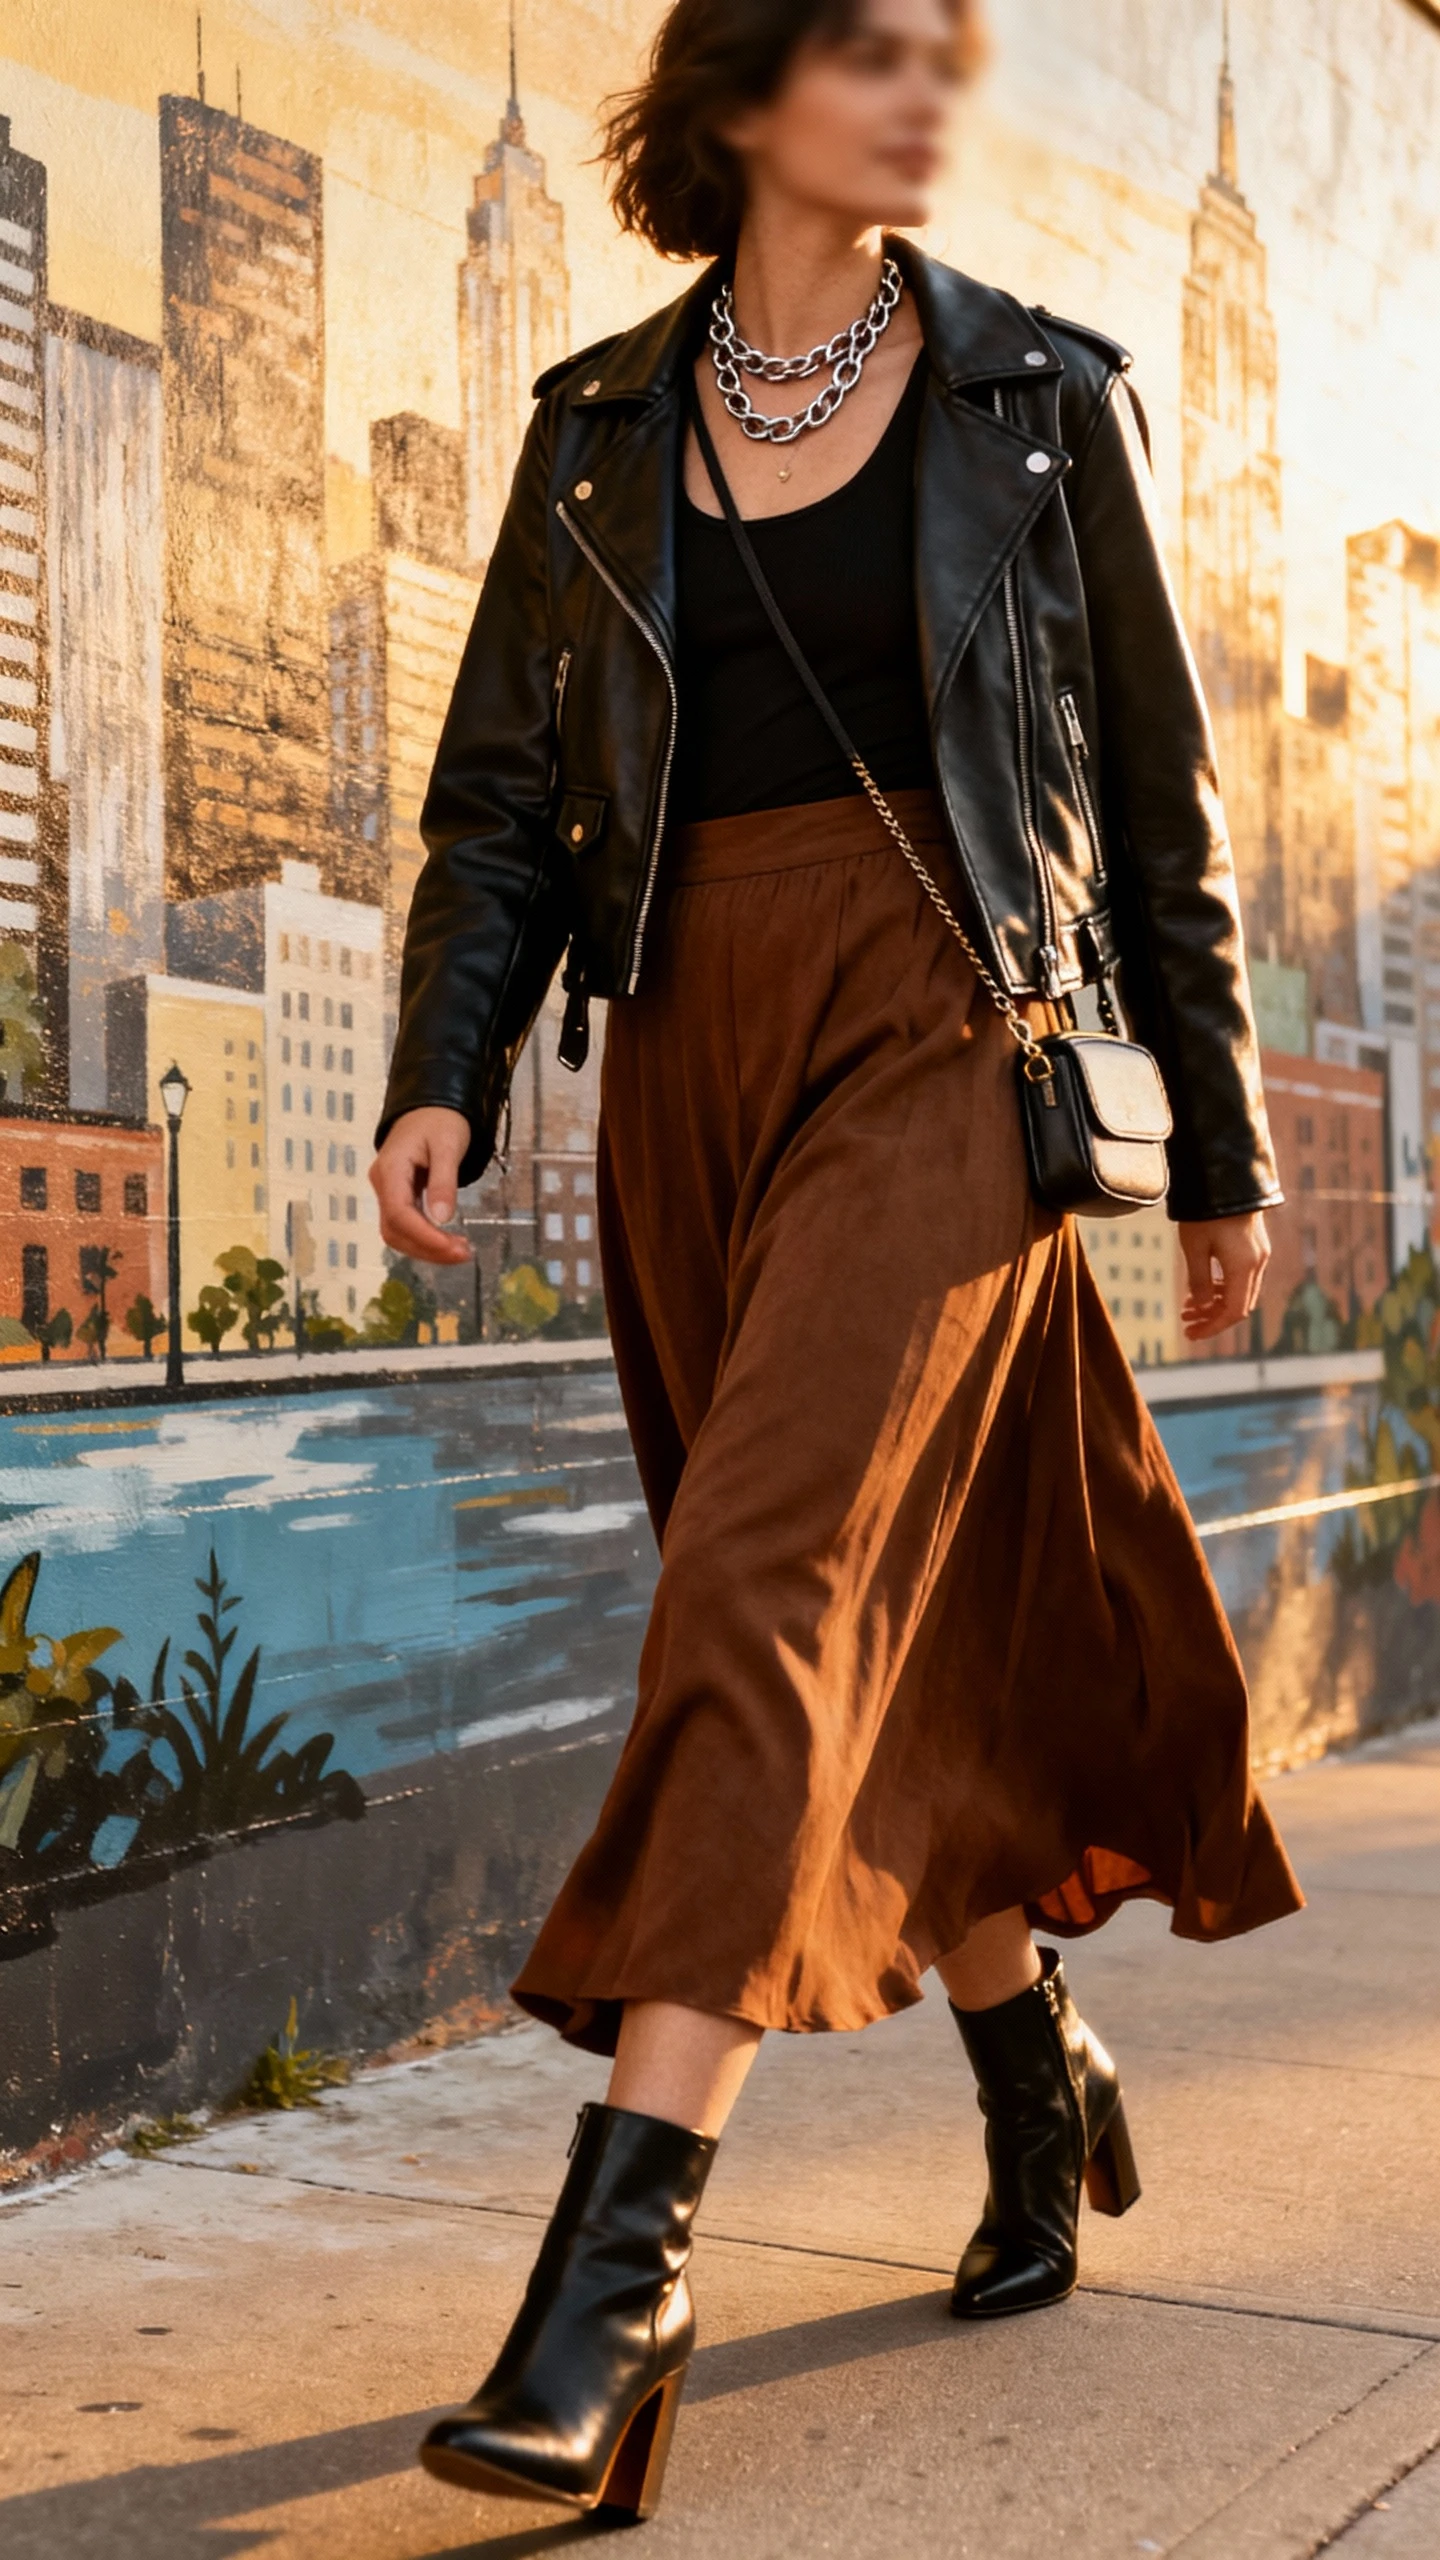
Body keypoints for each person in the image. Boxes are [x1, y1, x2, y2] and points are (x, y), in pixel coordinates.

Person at [370, 0, 1305, 2523]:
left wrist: (1219, 1151)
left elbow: (1165, 799)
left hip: (940, 1030)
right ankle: (1035, 2057)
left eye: (951, 58)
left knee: (771, 1577)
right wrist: (443, 1060)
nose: (931, 98)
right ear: (744, 96)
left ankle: (619, 2265)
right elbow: (496, 802)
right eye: (877, 49)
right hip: (684, 1050)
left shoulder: (1035, 400)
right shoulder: (590, 431)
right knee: (836, 1631)